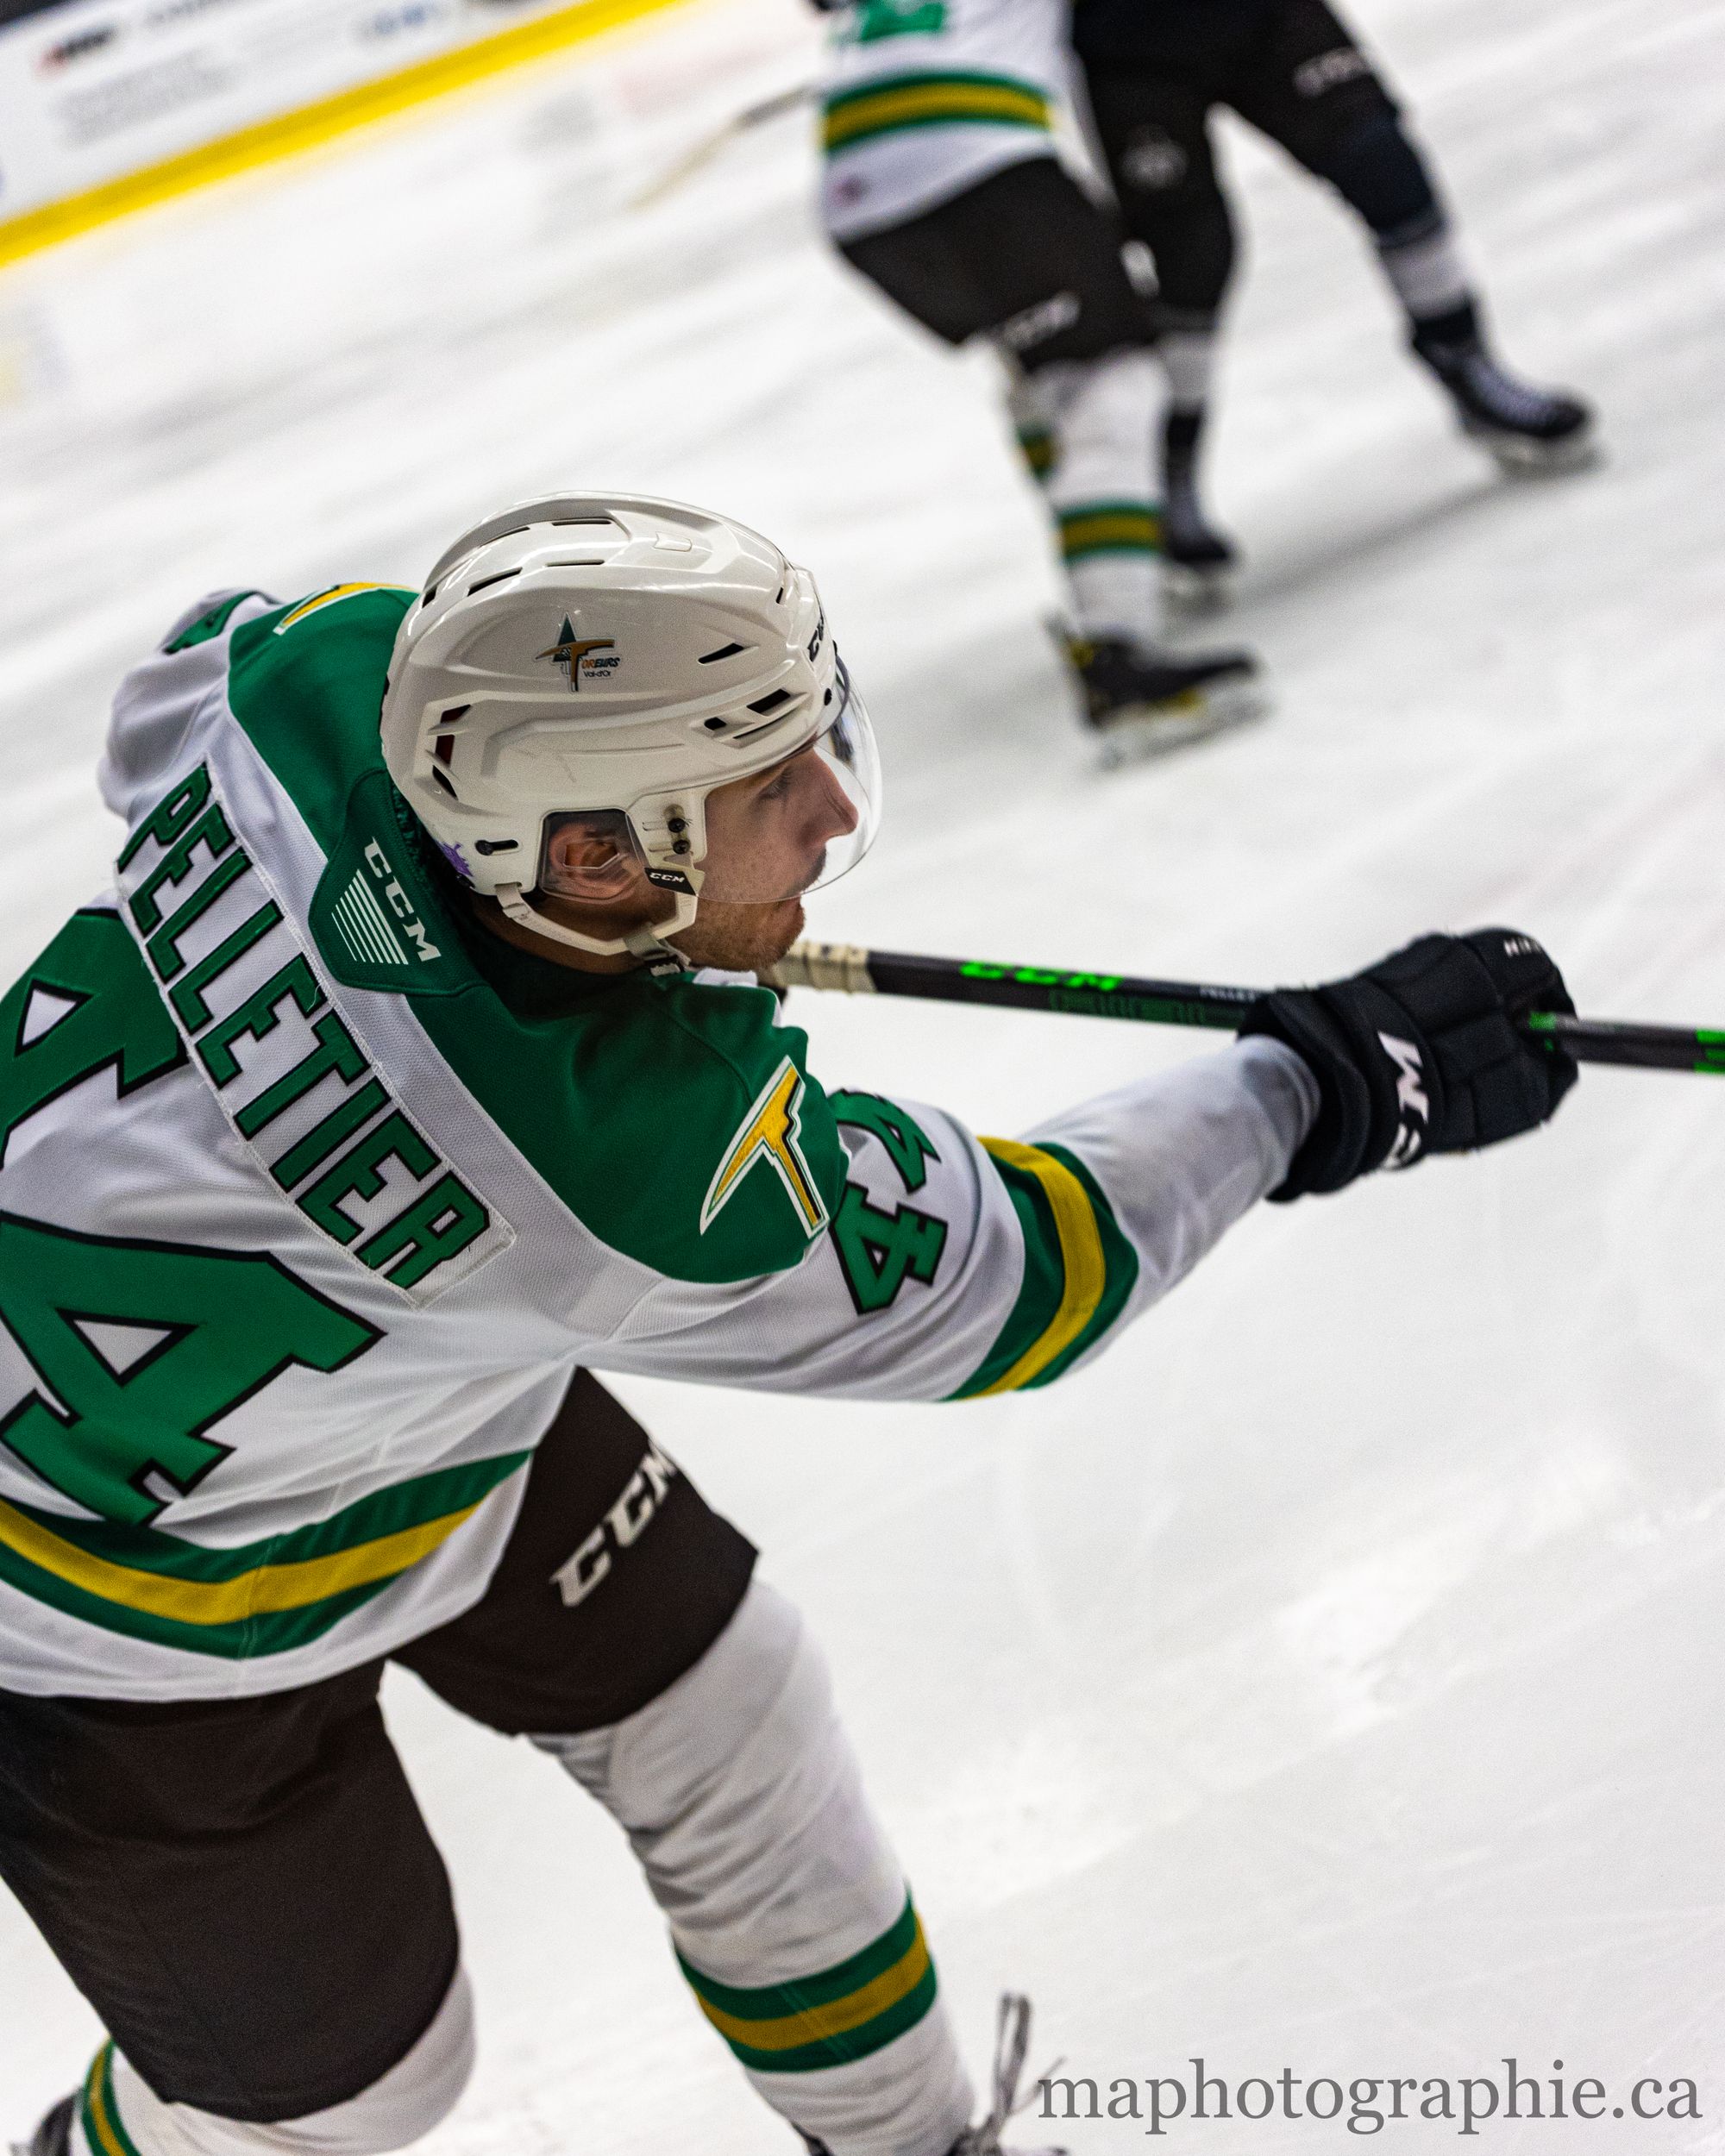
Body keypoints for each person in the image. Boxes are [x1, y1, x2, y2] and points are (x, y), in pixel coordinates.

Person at [1, 493, 1577, 2156]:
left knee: (723, 1704)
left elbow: (198, 677)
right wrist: (1316, 1086)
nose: (831, 811)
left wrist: (570, 943)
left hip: (354, 1390)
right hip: (100, 1617)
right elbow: (1029, 1276)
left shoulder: (301, 695)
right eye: (771, 786)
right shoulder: (612, 1184)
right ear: (593, 854)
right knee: (358, 2097)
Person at [815, 0, 1262, 759]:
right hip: (968, 149)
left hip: (855, 190)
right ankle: (1117, 650)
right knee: (1112, 381)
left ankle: (1107, 570)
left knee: (1048, 377)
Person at [1070, 0, 1599, 598]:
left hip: (1266, 18)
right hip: (1127, 51)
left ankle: (1467, 364)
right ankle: (1171, 471)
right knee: (1193, 258)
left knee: (1382, 162)